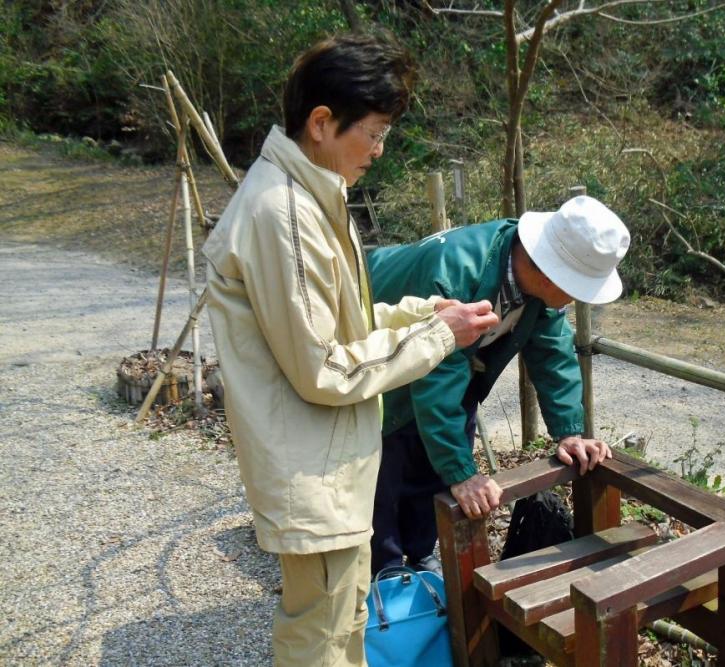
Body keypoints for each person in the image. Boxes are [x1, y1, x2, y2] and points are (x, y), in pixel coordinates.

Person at [200, 34, 498, 666]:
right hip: (313, 468)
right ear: (321, 123)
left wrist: (429, 312)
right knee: (319, 638)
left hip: (331, 464)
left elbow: (344, 325)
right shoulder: (283, 214)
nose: (380, 150)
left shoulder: (310, 195)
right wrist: (441, 336)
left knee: (342, 623)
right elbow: (326, 369)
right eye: (375, 132)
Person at [368, 195, 631, 575]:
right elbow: (434, 379)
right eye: (577, 286)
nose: (577, 297)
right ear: (551, 273)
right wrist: (462, 473)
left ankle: (420, 550)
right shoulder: (456, 273)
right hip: (383, 345)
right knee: (389, 457)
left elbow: (554, 353)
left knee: (441, 452)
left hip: (450, 367)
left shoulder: (534, 281)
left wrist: (569, 431)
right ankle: (385, 569)